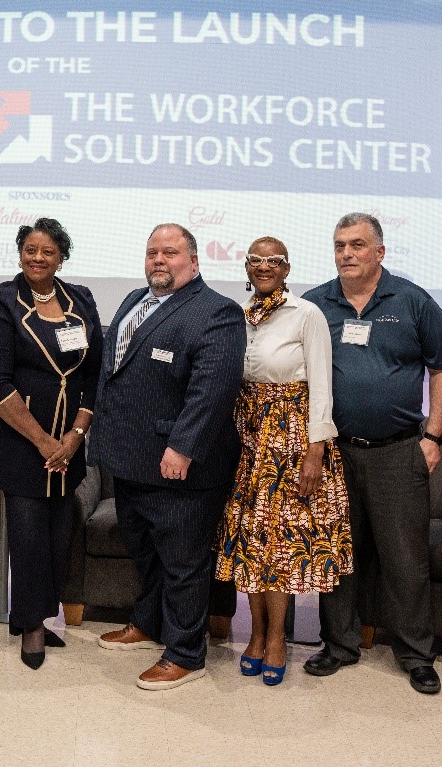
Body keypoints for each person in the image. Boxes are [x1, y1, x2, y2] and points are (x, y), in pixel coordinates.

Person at [304, 212, 442, 695]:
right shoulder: (315, 304)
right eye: (339, 245)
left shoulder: (413, 302)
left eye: (357, 245)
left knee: (405, 559)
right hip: (334, 453)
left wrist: (432, 437)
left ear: (380, 252)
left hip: (397, 452)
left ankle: (415, 653)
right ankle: (339, 645)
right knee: (337, 554)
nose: (346, 253)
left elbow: (441, 368)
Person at [93, 224, 246, 690]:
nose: (159, 259)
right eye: (152, 252)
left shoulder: (217, 312)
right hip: (129, 460)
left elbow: (212, 391)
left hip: (178, 465)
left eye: (171, 252)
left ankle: (185, 652)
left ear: (194, 261)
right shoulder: (134, 300)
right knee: (147, 554)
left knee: (184, 562)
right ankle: (148, 623)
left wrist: (182, 446)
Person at [215, 237, 352, 686]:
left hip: (290, 441)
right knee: (249, 544)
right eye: (256, 261)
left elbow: (322, 384)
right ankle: (253, 635)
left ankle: (276, 640)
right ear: (247, 266)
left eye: (274, 261)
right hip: (246, 440)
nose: (264, 268)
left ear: (287, 267)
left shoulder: (305, 313)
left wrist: (316, 450)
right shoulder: (237, 314)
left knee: (278, 547)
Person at [0, 218, 102, 668]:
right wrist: (45, 442)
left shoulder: (81, 300)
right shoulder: (3, 304)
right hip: (22, 445)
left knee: (57, 536)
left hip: (70, 445)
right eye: (30, 249)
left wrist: (75, 435)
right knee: (28, 538)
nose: (37, 258)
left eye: (47, 251)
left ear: (61, 257)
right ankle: (31, 626)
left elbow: (92, 374)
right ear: (19, 253)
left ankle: (36, 614)